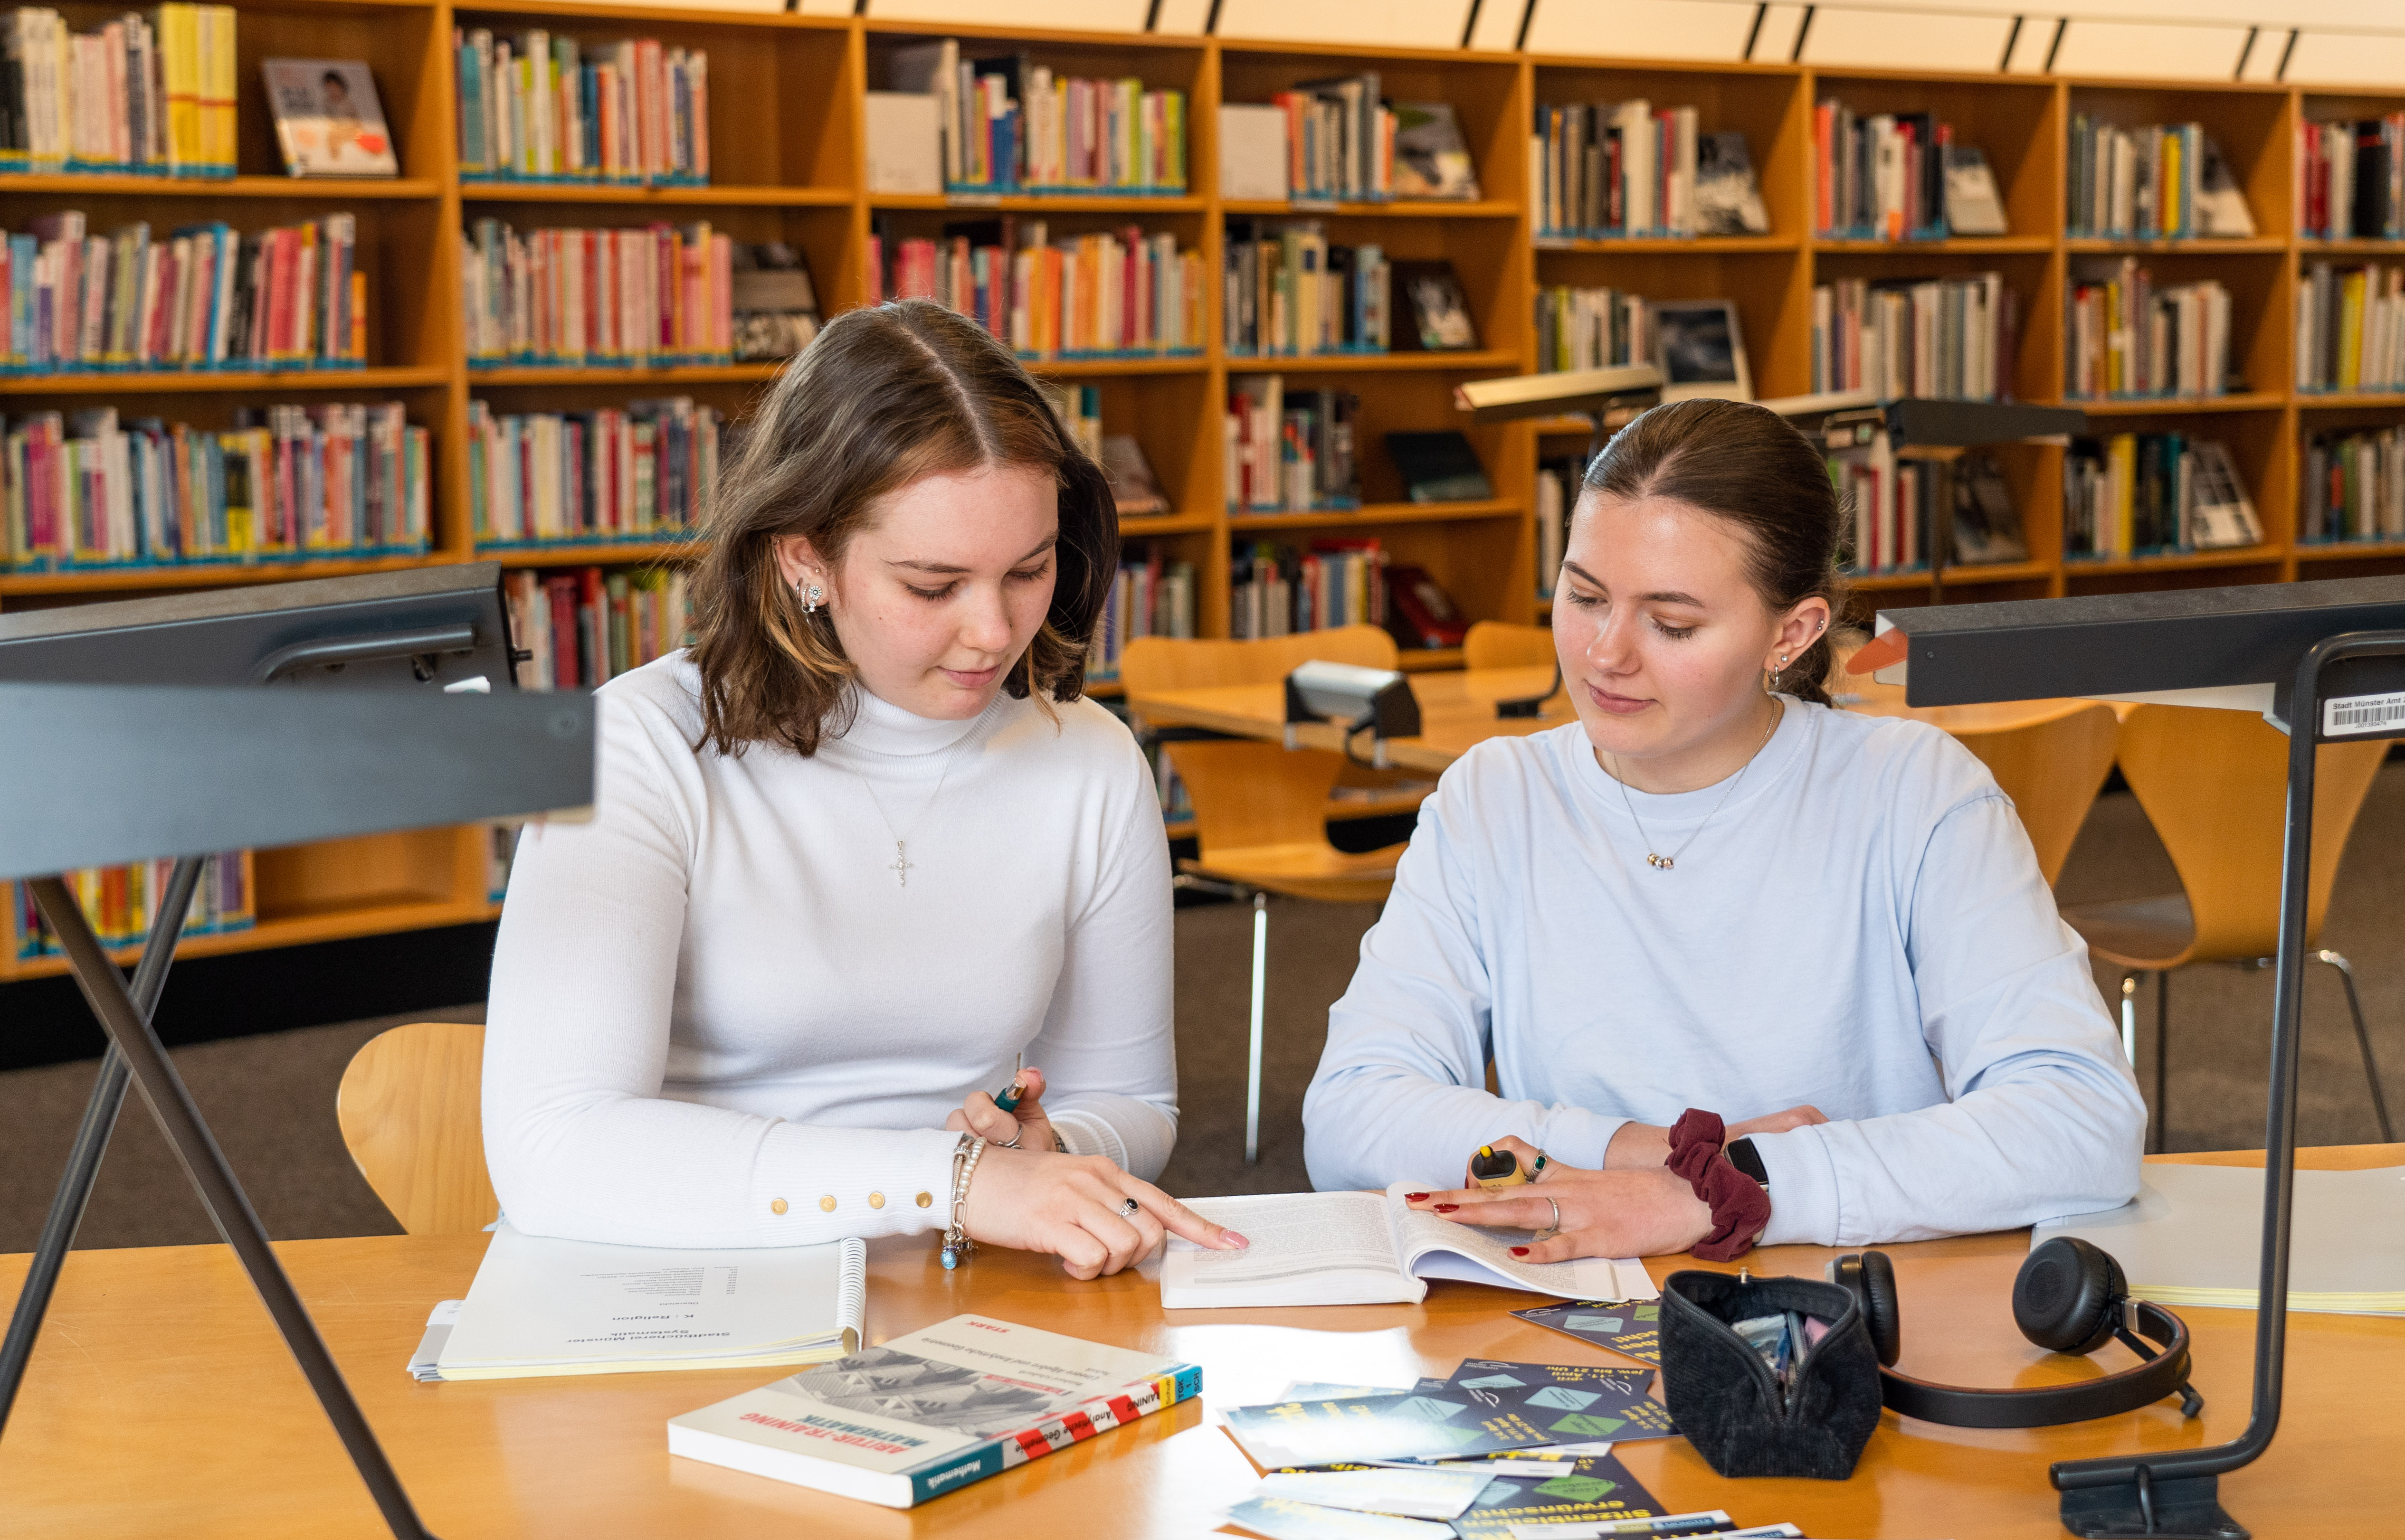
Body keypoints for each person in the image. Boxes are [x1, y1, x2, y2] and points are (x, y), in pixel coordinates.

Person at [482, 300, 1240, 1278]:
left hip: (967, 1281)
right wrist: (948, 1177)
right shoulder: (635, 747)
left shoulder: (1089, 760)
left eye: (1030, 569)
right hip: (676, 1285)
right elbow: (557, 1149)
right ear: (806, 557)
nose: (993, 631)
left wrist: (1057, 1150)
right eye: (933, 585)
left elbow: (1133, 1096)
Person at [1302, 398, 2144, 1261]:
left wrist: (1734, 1192)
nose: (1605, 655)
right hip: (1580, 1304)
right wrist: (1667, 1159)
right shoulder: (1496, 797)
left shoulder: (1915, 794)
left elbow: (2080, 1121)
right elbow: (1350, 1114)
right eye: (1585, 596)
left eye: (1672, 624)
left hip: (1864, 1304)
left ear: (1792, 633)